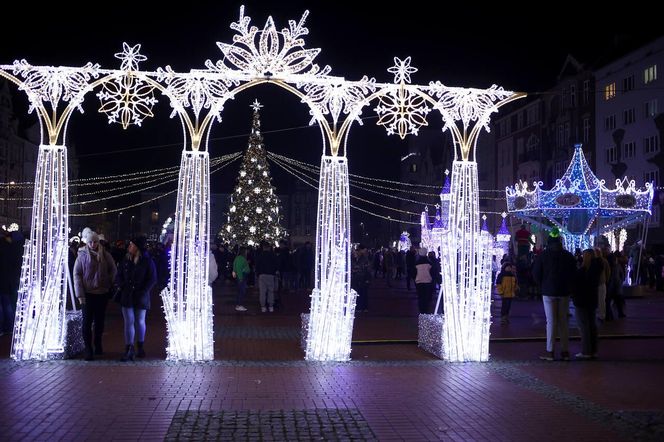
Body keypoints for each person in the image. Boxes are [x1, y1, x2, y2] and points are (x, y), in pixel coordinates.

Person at [532, 228, 577, 361]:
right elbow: (573, 274)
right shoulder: (568, 256)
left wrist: (542, 285)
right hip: (563, 292)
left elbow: (536, 273)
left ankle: (550, 351)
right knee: (563, 321)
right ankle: (565, 351)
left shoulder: (543, 256)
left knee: (551, 322)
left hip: (548, 291)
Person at [73, 228, 117, 361]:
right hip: (87, 294)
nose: (93, 244)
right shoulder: (82, 256)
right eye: (90, 242)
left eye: (95, 242)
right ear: (87, 242)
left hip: (102, 293)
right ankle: (88, 348)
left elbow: (113, 269)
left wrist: (109, 282)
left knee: (99, 322)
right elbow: (77, 275)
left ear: (98, 242)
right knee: (86, 322)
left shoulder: (105, 255)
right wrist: (80, 294)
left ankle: (98, 344)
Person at [115, 236, 156, 361]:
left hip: (140, 295)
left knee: (139, 321)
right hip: (127, 294)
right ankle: (129, 348)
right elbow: (119, 274)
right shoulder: (126, 260)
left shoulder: (147, 261)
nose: (129, 247)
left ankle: (140, 346)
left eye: (131, 245)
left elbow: (152, 278)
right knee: (129, 321)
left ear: (137, 247)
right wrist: (121, 285)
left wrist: (144, 291)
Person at [572, 249, 602, 359]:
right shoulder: (596, 268)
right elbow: (600, 264)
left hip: (581, 300)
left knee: (583, 326)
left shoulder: (582, 270)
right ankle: (593, 350)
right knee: (592, 325)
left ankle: (586, 351)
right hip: (592, 299)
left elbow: (575, 284)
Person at [255, 241, 278, 312]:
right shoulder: (273, 255)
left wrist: (257, 274)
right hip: (271, 274)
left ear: (263, 248)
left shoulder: (260, 255)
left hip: (262, 275)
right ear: (269, 248)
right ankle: (271, 306)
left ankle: (263, 307)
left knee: (262, 292)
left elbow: (257, 265)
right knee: (271, 291)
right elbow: (276, 264)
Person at [351, 244, 371, 312]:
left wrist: (368, 279)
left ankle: (364, 307)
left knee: (363, 293)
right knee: (357, 293)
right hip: (355, 279)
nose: (355, 254)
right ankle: (359, 307)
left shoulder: (364, 259)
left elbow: (367, 269)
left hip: (362, 278)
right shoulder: (353, 259)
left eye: (357, 252)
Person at [415, 247, 433, 314]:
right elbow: (432, 272)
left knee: (420, 296)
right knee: (426, 296)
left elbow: (414, 272)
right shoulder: (429, 263)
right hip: (428, 281)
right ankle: (425, 309)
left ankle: (421, 309)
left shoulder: (417, 263)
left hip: (419, 281)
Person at [232, 247, 250, 312]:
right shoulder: (241, 258)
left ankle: (238, 304)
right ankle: (239, 305)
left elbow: (236, 267)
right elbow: (239, 268)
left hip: (240, 276)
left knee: (240, 291)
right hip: (242, 276)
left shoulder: (238, 258)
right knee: (241, 291)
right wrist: (240, 278)